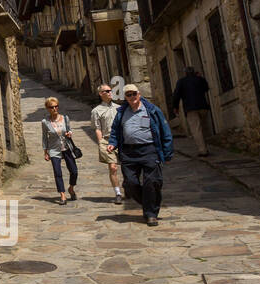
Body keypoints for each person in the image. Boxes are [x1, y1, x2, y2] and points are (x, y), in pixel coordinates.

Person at [107, 84, 174, 226]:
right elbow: (115, 130)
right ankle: (150, 202)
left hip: (149, 150)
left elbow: (165, 130)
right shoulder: (121, 112)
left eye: (134, 94)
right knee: (130, 184)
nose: (132, 97)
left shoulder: (152, 110)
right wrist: (113, 143)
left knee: (152, 182)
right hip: (129, 152)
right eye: (128, 95)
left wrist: (167, 152)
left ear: (139, 94)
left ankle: (151, 214)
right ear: (125, 97)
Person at [40, 97, 78, 205]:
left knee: (74, 171)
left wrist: (69, 133)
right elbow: (44, 137)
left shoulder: (65, 118)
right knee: (58, 173)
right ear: (47, 108)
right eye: (52, 107)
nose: (55, 109)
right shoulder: (45, 122)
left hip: (67, 148)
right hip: (54, 149)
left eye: (56, 106)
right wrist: (45, 151)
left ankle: (71, 188)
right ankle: (62, 195)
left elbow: (69, 129)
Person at [91, 83, 123, 204]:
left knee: (126, 166)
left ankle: (129, 186)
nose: (110, 92)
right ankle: (118, 192)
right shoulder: (96, 111)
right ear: (101, 94)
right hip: (107, 140)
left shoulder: (119, 108)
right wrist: (101, 143)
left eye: (110, 90)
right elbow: (97, 128)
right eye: (107, 91)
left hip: (121, 140)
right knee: (113, 167)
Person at [171, 67, 213, 156]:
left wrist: (175, 107)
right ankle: (206, 146)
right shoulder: (200, 79)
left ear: (185, 73)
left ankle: (203, 150)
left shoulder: (181, 82)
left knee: (196, 129)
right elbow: (206, 88)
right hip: (203, 107)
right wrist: (200, 77)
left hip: (191, 109)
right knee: (204, 127)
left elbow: (176, 95)